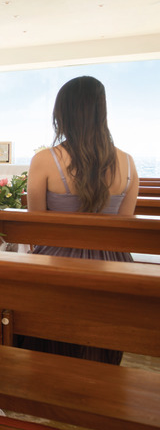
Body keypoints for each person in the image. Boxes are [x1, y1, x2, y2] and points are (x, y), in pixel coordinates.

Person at [16, 76, 138, 365]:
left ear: (62, 113)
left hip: (57, 269)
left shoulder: (45, 160)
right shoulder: (129, 163)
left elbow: (37, 230)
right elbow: (125, 231)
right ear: (102, 112)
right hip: (113, 270)